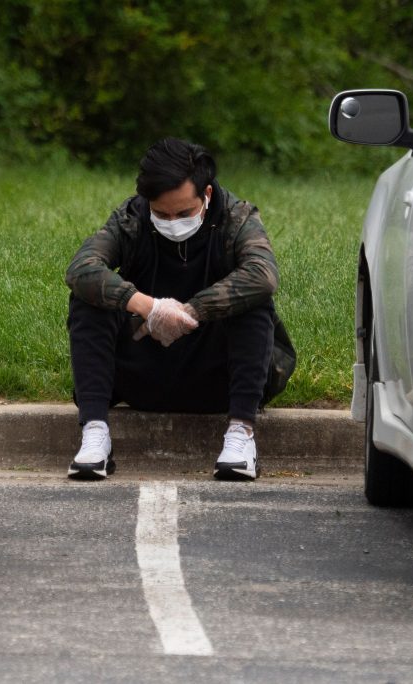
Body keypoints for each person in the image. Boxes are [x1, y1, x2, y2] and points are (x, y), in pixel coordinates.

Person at [64, 137, 294, 481]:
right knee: (88, 297)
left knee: (255, 302)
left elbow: (263, 275)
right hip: (142, 370)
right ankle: (95, 434)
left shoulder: (237, 218)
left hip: (218, 375)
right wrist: (150, 308)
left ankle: (241, 435)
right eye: (161, 213)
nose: (173, 221)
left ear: (207, 195)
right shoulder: (131, 219)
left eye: (184, 213)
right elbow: (81, 269)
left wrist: (191, 311)